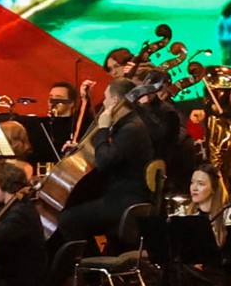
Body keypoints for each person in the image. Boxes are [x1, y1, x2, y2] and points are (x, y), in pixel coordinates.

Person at [48, 78, 156, 248]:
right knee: (74, 210)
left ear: (114, 100)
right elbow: (109, 153)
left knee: (67, 219)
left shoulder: (132, 128)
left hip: (124, 199)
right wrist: (81, 148)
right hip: (116, 194)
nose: (104, 103)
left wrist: (103, 129)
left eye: (106, 98)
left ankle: (85, 261)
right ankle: (91, 258)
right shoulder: (127, 123)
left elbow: (105, 161)